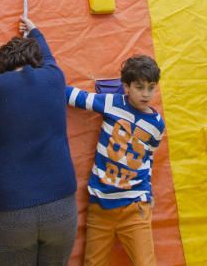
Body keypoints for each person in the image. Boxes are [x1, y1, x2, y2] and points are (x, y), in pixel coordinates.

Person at [0, 17, 77, 266]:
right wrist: (35, 31)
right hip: (61, 203)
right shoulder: (55, 78)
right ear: (35, 61)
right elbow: (49, 59)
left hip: (13, 207)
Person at [66, 55, 165, 266]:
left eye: (151, 87)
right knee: (93, 263)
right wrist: (41, 74)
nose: (146, 94)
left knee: (146, 263)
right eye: (139, 87)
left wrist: (148, 191)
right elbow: (75, 96)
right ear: (126, 87)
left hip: (135, 205)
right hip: (100, 206)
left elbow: (148, 157)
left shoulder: (157, 124)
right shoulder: (112, 103)